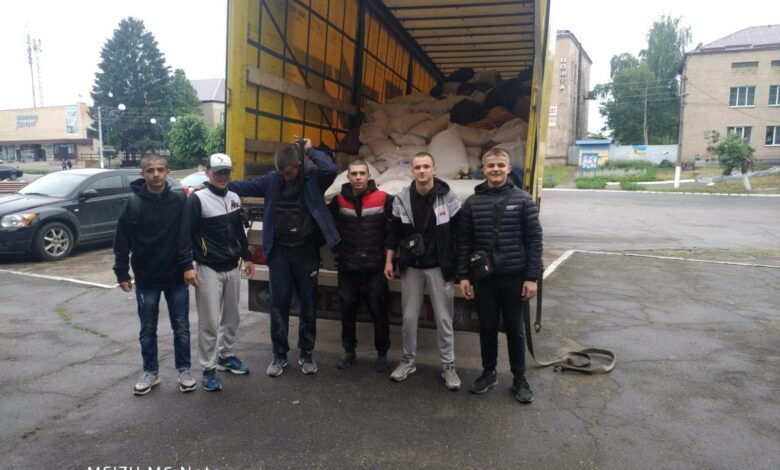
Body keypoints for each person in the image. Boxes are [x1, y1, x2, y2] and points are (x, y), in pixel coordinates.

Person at [228, 138, 339, 377]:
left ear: (298, 165)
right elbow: (244, 186)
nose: (286, 177)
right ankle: (279, 355)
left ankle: (306, 354)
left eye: (289, 173)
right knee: (278, 305)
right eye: (282, 173)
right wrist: (214, 184)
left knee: (308, 305)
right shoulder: (272, 180)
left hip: (306, 251)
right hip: (279, 252)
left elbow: (331, 169)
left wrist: (310, 150)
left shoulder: (312, 179)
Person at [457, 148, 543, 404]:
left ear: (508, 168)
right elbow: (464, 242)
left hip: (514, 277)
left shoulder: (523, 200)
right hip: (485, 279)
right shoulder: (472, 203)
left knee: (515, 329)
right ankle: (489, 373)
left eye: (500, 165)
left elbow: (534, 240)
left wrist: (532, 277)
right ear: (482, 170)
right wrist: (464, 276)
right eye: (490, 165)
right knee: (487, 327)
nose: (495, 169)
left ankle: (519, 378)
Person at [113, 154, 195, 395]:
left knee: (181, 327)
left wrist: (188, 265)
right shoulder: (133, 204)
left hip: (176, 277)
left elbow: (187, 235)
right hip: (146, 279)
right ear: (143, 174)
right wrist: (121, 272)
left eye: (160, 169)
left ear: (168, 172)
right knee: (148, 329)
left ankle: (184, 370)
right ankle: (151, 372)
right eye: (151, 170)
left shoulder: (179, 200)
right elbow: (121, 240)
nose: (156, 174)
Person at [384, 152, 462, 391]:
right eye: (417, 167)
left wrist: (461, 269)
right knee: (409, 317)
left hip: (439, 267)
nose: (422, 171)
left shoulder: (448, 197)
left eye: (426, 166)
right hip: (412, 267)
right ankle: (408, 361)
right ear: (412, 171)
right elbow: (393, 234)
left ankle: (448, 365)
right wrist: (389, 261)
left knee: (444, 318)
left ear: (434, 169)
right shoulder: (402, 199)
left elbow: (460, 234)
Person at [179, 153, 255, 392]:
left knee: (232, 317)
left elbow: (239, 230)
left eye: (226, 172)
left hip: (232, 265)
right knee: (210, 322)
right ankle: (208, 368)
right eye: (218, 172)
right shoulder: (197, 199)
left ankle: (226, 356)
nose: (223, 177)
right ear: (207, 172)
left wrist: (247, 256)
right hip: (208, 267)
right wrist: (187, 266)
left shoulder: (233, 197)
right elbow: (184, 235)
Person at [328, 160, 393, 372]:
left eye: (362, 173)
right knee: (347, 311)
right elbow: (325, 223)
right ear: (347, 177)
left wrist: (389, 255)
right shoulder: (338, 200)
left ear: (368, 176)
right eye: (354, 173)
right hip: (348, 266)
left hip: (374, 267)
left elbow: (396, 227)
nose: (358, 177)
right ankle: (349, 351)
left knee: (378, 311)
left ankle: (382, 353)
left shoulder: (383, 198)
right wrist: (335, 247)